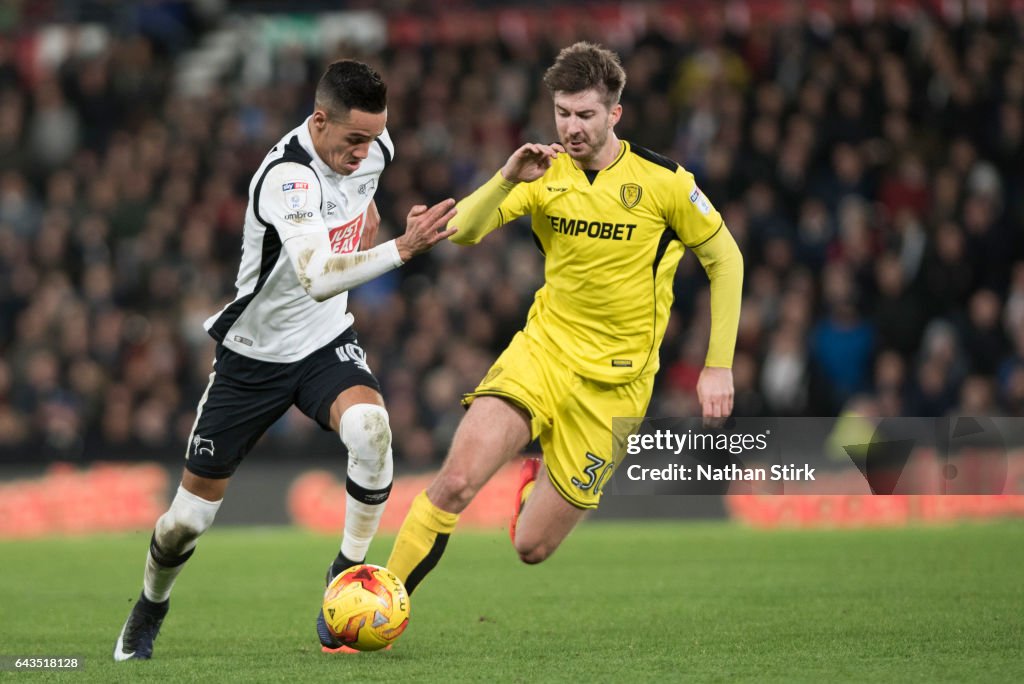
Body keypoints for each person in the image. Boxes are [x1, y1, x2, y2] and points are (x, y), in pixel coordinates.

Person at [113, 59, 457, 661]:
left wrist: (371, 223)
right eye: (354, 139)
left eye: (375, 137)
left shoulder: (372, 149)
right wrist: (401, 249)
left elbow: (359, 204)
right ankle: (150, 605)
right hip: (253, 357)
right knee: (184, 523)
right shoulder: (286, 178)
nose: (366, 151)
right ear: (318, 120)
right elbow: (318, 275)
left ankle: (344, 580)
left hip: (324, 342)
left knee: (372, 430)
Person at [385, 42, 743, 595]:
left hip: (616, 387)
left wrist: (717, 366)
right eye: (562, 113)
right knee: (455, 482)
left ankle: (532, 484)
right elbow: (469, 230)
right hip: (543, 354)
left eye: (585, 114)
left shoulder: (666, 182)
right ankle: (378, 601)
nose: (571, 127)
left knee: (532, 547)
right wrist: (506, 177)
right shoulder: (543, 173)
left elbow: (727, 259)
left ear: (614, 113)